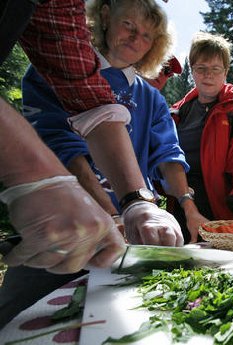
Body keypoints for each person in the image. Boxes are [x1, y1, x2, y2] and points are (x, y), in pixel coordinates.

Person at [0, 0, 199, 329]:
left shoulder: (59, 18)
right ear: (105, 15)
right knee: (22, 315)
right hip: (56, 224)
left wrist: (136, 202)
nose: (136, 39)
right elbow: (59, 137)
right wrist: (40, 179)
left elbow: (93, 106)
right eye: (129, 26)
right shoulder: (44, 71)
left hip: (121, 230)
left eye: (147, 35)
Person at [168, 32, 233, 243]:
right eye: (201, 69)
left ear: (225, 72)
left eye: (216, 69)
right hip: (185, 210)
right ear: (192, 71)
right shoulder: (178, 113)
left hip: (227, 212)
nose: (208, 75)